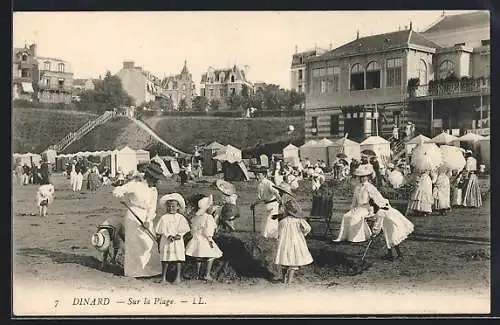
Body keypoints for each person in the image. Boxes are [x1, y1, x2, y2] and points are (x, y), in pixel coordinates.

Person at [112, 162, 165, 278]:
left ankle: (151, 270)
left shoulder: (153, 191)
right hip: (133, 215)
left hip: (146, 218)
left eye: (157, 180)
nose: (156, 182)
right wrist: (121, 194)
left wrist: (148, 219)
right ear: (149, 176)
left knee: (149, 243)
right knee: (134, 244)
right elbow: (117, 191)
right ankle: (134, 272)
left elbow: (152, 208)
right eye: (155, 179)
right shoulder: (135, 185)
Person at [334, 164, 383, 243]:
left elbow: (377, 198)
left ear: (368, 177)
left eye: (364, 176)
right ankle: (344, 237)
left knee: (355, 218)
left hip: (366, 208)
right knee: (346, 216)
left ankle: (356, 238)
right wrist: (352, 208)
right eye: (361, 176)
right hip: (358, 208)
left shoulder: (370, 187)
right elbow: (354, 200)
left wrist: (380, 206)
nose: (362, 178)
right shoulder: (357, 187)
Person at [272, 198, 313, 284]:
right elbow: (308, 228)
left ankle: (284, 279)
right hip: (296, 241)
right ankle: (289, 281)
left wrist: (279, 238)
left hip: (284, 242)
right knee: (293, 261)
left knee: (284, 260)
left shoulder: (282, 221)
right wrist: (303, 233)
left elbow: (277, 232)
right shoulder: (299, 221)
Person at [185, 195, 223, 281]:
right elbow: (208, 230)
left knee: (199, 256)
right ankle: (207, 274)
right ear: (207, 208)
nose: (212, 208)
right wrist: (210, 239)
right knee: (212, 255)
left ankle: (197, 274)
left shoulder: (196, 217)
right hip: (205, 239)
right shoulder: (208, 217)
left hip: (196, 238)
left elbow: (193, 229)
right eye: (211, 206)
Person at [155, 193, 190, 284]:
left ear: (178, 207)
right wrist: (168, 235)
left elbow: (184, 228)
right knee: (165, 258)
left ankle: (177, 278)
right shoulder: (164, 218)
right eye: (169, 206)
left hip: (177, 241)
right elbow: (161, 229)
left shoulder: (180, 218)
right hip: (167, 240)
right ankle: (163, 278)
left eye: (173, 206)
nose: (171, 208)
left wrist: (180, 235)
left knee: (178, 258)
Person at [370, 196, 414, 261]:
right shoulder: (385, 206)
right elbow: (377, 217)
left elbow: (377, 225)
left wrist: (374, 233)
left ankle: (396, 255)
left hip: (392, 226)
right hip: (393, 224)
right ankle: (392, 254)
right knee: (390, 240)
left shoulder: (380, 212)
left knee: (391, 239)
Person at [251, 166, 281, 239]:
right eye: (256, 175)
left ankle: (274, 236)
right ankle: (265, 237)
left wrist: (279, 198)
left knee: (271, 220)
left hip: (273, 204)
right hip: (266, 204)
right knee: (264, 221)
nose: (257, 177)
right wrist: (254, 204)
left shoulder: (268, 183)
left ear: (264, 175)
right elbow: (260, 198)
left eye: (259, 175)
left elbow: (276, 191)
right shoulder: (259, 185)